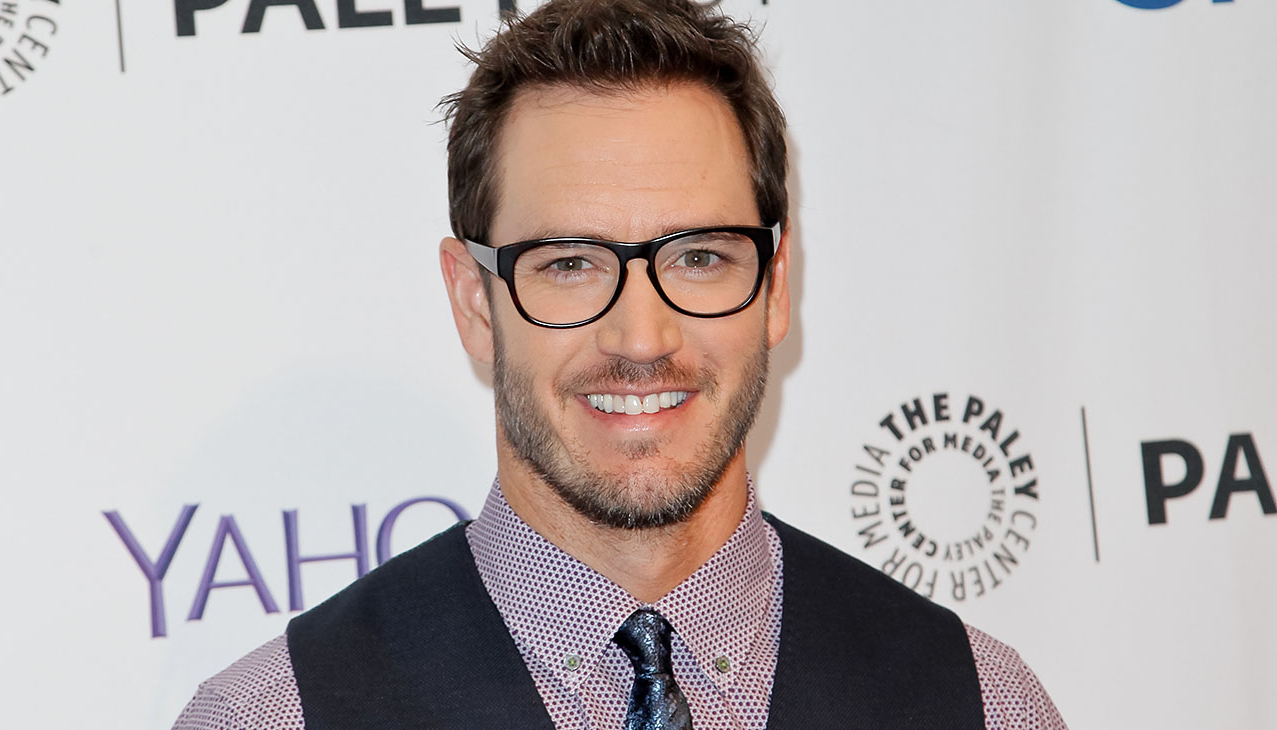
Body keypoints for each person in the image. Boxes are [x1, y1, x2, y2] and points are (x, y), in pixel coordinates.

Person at [173, 1, 1067, 728]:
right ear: (474, 303)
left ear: (777, 283)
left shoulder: (983, 703)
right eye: (570, 263)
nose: (641, 339)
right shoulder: (271, 716)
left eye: (700, 258)